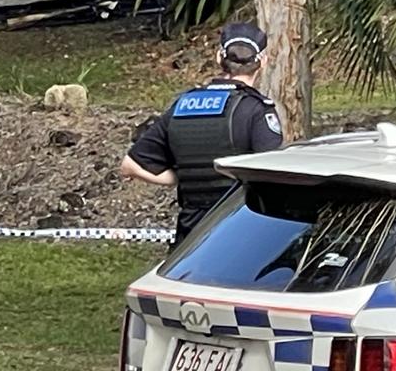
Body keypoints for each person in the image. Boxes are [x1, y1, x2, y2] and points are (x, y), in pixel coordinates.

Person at [120, 21, 284, 247]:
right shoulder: (257, 110)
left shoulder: (183, 105)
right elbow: (274, 177)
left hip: (190, 242)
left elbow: (130, 165)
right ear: (262, 62)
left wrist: (178, 178)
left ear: (219, 58)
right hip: (240, 235)